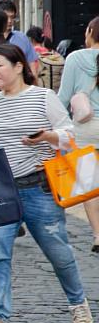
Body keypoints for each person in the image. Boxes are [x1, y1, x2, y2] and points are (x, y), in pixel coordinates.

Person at [0, 44, 93, 323]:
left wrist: (45, 136)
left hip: (39, 188)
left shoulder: (43, 97)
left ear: (19, 66)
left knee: (58, 251)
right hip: (3, 190)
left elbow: (69, 136)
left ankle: (78, 302)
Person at [58, 16, 99, 252]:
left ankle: (97, 235)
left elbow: (63, 98)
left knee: (91, 185)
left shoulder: (75, 58)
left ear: (91, 31)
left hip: (85, 130)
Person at [0, 0, 39, 75]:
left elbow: (32, 63)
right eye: (7, 17)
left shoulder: (22, 38)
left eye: (12, 17)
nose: (10, 21)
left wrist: (33, 81)